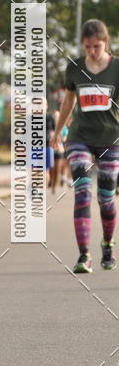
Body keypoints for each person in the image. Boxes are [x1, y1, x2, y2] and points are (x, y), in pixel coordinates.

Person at [53, 19, 119, 273]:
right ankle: (84, 255)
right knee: (82, 191)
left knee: (106, 198)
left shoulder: (116, 68)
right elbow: (69, 101)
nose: (92, 51)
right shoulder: (75, 68)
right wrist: (59, 132)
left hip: (110, 139)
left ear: (106, 42)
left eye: (97, 46)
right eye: (88, 47)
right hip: (79, 136)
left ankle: (107, 244)